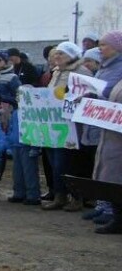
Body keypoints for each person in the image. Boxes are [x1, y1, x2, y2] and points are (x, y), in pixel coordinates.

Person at [42, 42, 92, 211]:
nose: (57, 57)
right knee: (55, 163)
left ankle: (76, 197)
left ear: (72, 55)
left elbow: (88, 96)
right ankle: (59, 195)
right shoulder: (55, 72)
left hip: (71, 126)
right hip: (53, 124)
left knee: (68, 163)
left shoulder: (82, 72)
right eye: (56, 54)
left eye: (61, 54)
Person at [82, 32, 122, 225]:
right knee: (102, 165)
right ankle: (102, 205)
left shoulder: (118, 68)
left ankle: (113, 211)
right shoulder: (104, 67)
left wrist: (95, 95)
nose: (100, 48)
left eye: (105, 45)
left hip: (115, 124)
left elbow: (108, 92)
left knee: (113, 168)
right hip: (102, 122)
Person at [91, 77, 122, 234]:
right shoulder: (118, 82)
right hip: (113, 137)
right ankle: (117, 218)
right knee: (113, 178)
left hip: (117, 139)